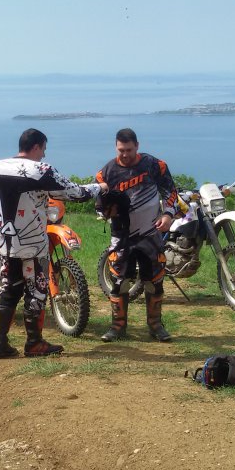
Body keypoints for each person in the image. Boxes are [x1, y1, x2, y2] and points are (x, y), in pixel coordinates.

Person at [0, 128, 107, 359]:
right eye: (44, 149)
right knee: (36, 291)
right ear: (36, 146)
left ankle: (0, 343)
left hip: (6, 243)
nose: (44, 155)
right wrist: (100, 188)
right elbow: (75, 193)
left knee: (9, 291)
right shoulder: (41, 170)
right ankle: (34, 343)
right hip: (33, 245)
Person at [95, 128, 181, 342]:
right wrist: (106, 211)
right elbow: (99, 205)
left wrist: (168, 215)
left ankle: (156, 326)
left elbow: (170, 192)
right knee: (119, 281)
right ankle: (117, 327)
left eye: (129, 150)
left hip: (151, 234)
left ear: (137, 146)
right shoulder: (106, 173)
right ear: (116, 147)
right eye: (121, 150)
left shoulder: (155, 165)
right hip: (121, 236)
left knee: (154, 281)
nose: (125, 154)